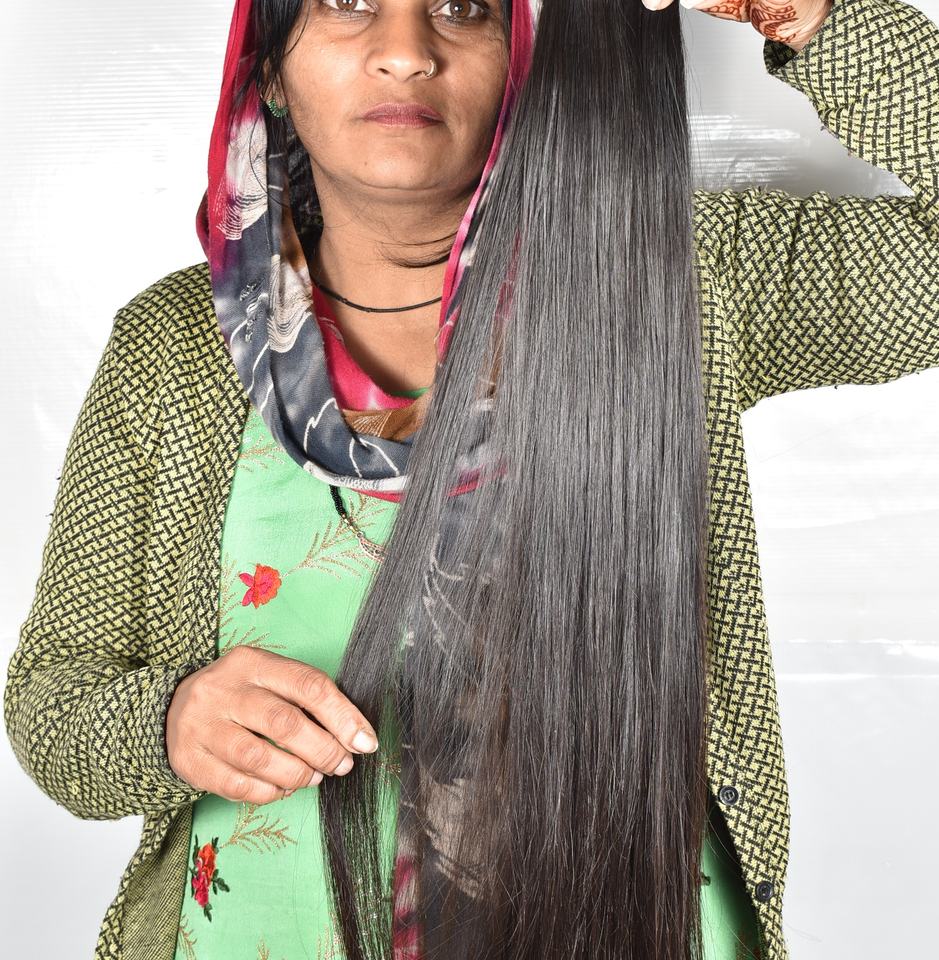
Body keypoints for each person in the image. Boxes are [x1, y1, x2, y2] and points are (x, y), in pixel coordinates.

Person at [3, 0, 937, 957]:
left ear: (523, 57)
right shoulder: (173, 348)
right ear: (269, 66)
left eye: (461, 8)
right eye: (347, 3)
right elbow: (52, 703)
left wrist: (804, 10)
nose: (405, 53)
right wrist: (171, 722)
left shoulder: (671, 278)